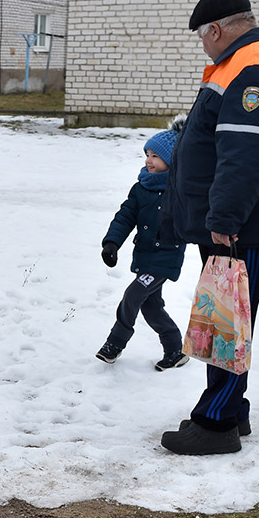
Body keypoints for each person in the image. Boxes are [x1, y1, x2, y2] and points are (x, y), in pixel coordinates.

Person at [158, 0, 259, 455]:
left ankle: (217, 422)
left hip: (246, 222)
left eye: (203, 37)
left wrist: (223, 218)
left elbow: (246, 153)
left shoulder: (253, 67)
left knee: (228, 320)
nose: (203, 46)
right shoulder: (245, 61)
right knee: (231, 315)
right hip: (247, 218)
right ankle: (232, 409)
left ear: (217, 29)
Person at [96, 121, 188, 371]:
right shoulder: (141, 187)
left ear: (172, 159)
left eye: (156, 156)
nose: (149, 160)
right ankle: (175, 351)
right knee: (151, 307)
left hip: (165, 258)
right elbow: (125, 216)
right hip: (145, 257)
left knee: (133, 295)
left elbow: (194, 218)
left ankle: (114, 344)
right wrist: (112, 243)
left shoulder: (180, 190)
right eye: (147, 154)